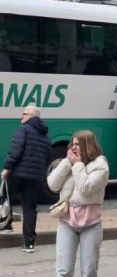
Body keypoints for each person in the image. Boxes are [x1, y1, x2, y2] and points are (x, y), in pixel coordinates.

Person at [47, 130, 109, 277]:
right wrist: (66, 163)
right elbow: (52, 185)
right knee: (64, 270)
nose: (73, 148)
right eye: (72, 144)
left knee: (88, 271)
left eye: (78, 144)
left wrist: (77, 165)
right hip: (67, 222)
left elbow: (85, 188)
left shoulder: (101, 165)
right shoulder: (69, 162)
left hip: (91, 224)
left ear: (88, 146)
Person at [1, 105, 51, 253]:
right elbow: (47, 157)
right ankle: (29, 244)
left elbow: (15, 150)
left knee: (4, 196)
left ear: (32, 116)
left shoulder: (23, 130)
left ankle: (6, 224)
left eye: (24, 113)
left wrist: (7, 168)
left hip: (17, 174)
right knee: (29, 209)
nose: (21, 116)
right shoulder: (46, 136)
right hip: (35, 178)